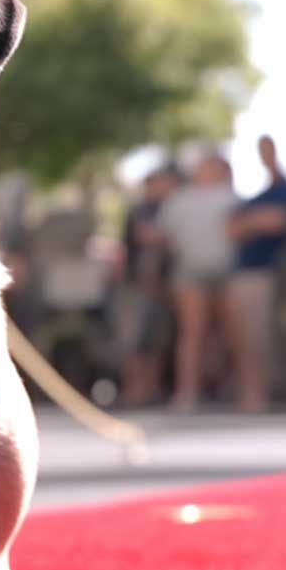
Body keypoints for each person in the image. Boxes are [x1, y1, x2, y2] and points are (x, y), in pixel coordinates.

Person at [157, 154, 240, 412]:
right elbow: (165, 236)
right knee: (192, 333)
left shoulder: (232, 198)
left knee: (233, 334)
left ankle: (237, 389)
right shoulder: (180, 200)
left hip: (228, 272)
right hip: (190, 272)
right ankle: (187, 393)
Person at [225, 136, 286, 412]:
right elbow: (233, 229)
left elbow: (281, 222)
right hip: (247, 274)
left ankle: (264, 392)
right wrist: (258, 221)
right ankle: (251, 391)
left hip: (272, 274)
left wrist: (256, 222)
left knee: (265, 336)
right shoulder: (253, 199)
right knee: (246, 337)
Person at [115, 167, 179, 406]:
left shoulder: (167, 209)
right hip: (136, 285)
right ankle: (134, 389)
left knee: (156, 341)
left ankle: (150, 388)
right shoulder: (141, 210)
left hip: (162, 286)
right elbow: (145, 237)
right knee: (132, 340)